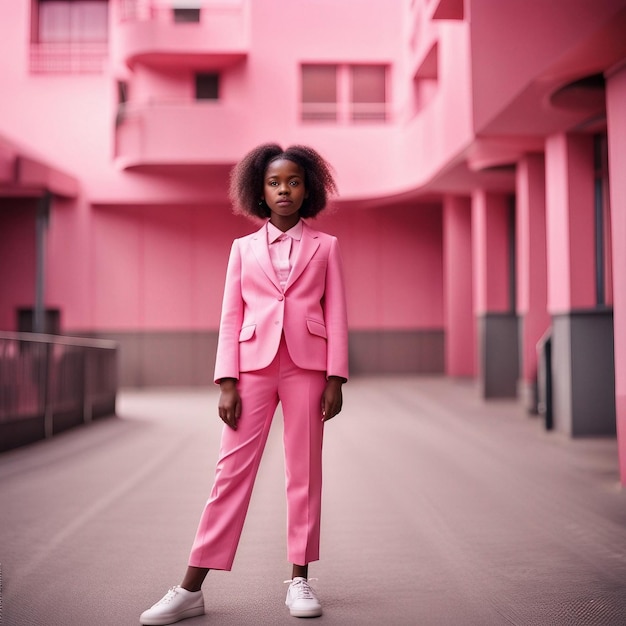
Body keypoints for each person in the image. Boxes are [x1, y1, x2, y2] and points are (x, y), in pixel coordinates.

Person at [140, 143, 349, 625]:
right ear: (259, 191)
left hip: (308, 368)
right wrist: (226, 381)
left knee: (305, 473)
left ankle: (299, 578)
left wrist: (335, 377)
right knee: (230, 474)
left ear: (308, 188)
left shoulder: (327, 246)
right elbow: (230, 316)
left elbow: (336, 313)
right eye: (274, 183)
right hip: (252, 368)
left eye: (293, 182)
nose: (284, 190)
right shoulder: (242, 249)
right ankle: (190, 588)